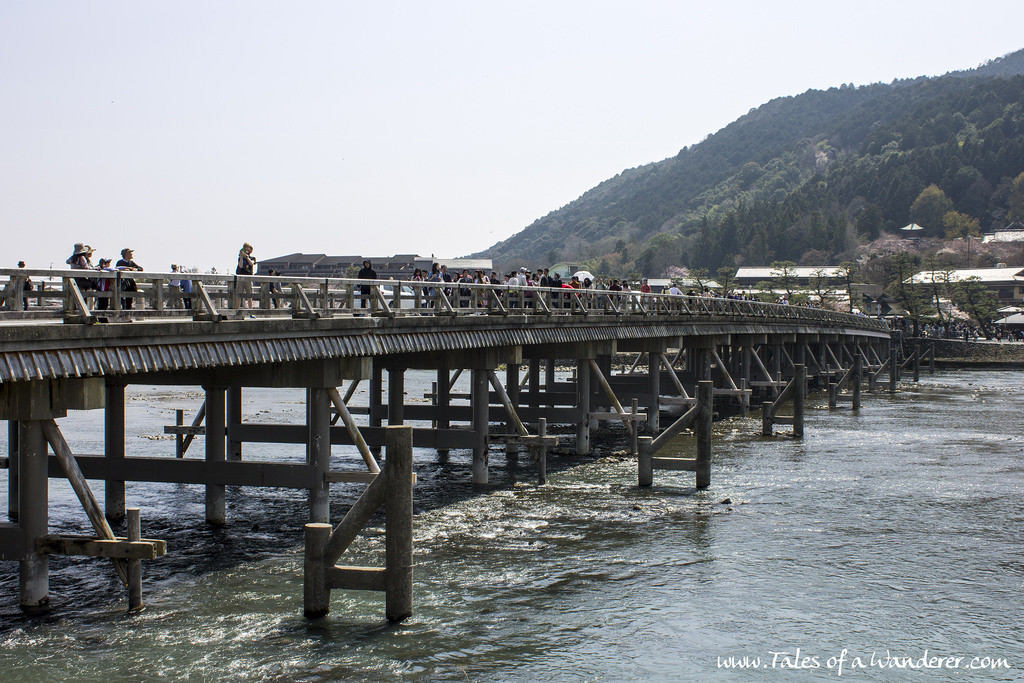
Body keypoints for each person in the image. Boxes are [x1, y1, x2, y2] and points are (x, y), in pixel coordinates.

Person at [236, 243, 256, 308]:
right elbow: (240, 266)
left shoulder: (251, 258)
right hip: (241, 278)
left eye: (249, 249)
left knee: (249, 296)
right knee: (239, 295)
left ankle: (251, 311)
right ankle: (237, 310)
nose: (248, 250)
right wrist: (241, 256)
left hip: (248, 278)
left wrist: (247, 257)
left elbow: (251, 264)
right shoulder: (240, 258)